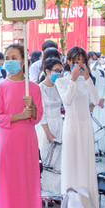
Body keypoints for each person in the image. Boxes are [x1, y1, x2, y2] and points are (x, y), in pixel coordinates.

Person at [0, 44, 43, 208]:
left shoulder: (34, 88)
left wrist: (31, 110)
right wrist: (18, 116)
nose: (10, 61)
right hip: (7, 141)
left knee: (26, 187)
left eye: (14, 57)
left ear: (23, 61)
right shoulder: (0, 87)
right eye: (7, 57)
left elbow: (38, 118)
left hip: (27, 142)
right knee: (7, 187)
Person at [57, 46, 100, 206]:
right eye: (76, 62)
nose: (79, 66)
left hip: (86, 126)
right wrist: (73, 80)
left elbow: (96, 100)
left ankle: (89, 205)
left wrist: (87, 79)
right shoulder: (62, 81)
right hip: (71, 126)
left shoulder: (88, 80)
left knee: (86, 163)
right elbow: (67, 101)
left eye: (82, 62)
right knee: (72, 163)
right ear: (68, 62)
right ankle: (72, 205)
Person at [37, 58, 65, 193]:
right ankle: (47, 191)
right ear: (47, 71)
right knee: (47, 158)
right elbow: (41, 113)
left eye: (61, 71)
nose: (59, 74)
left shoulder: (59, 86)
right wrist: (48, 133)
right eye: (56, 71)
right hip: (45, 127)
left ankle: (57, 190)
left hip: (59, 123)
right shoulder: (40, 88)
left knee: (59, 159)